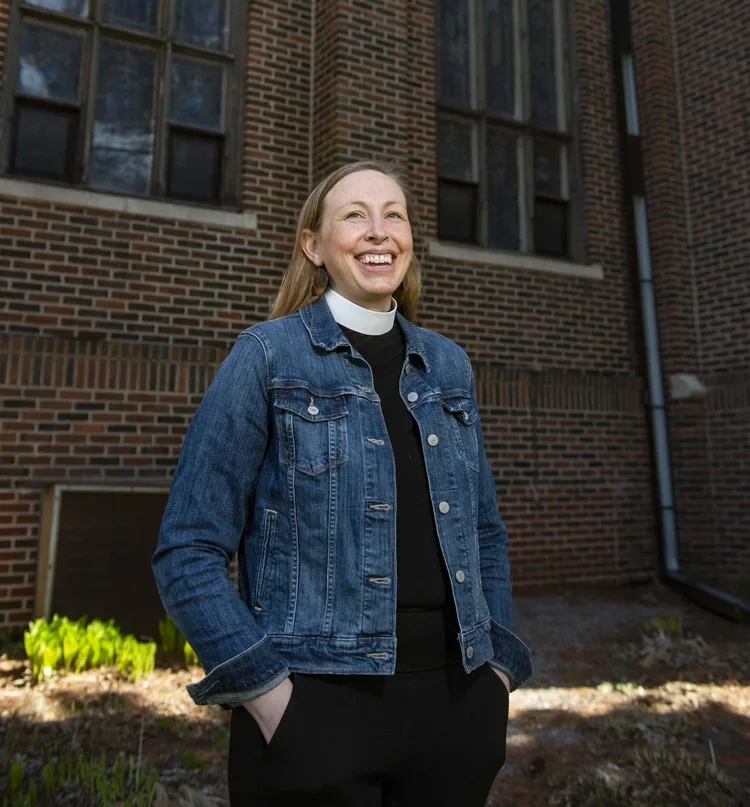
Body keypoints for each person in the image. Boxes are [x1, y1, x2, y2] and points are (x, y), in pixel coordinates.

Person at [152, 158, 532, 807]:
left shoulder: (447, 364)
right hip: (314, 709)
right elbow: (187, 548)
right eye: (354, 215)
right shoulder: (268, 356)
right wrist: (275, 704)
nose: (378, 231)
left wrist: (495, 676)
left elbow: (484, 531)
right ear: (314, 245)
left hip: (456, 706)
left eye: (394, 215)